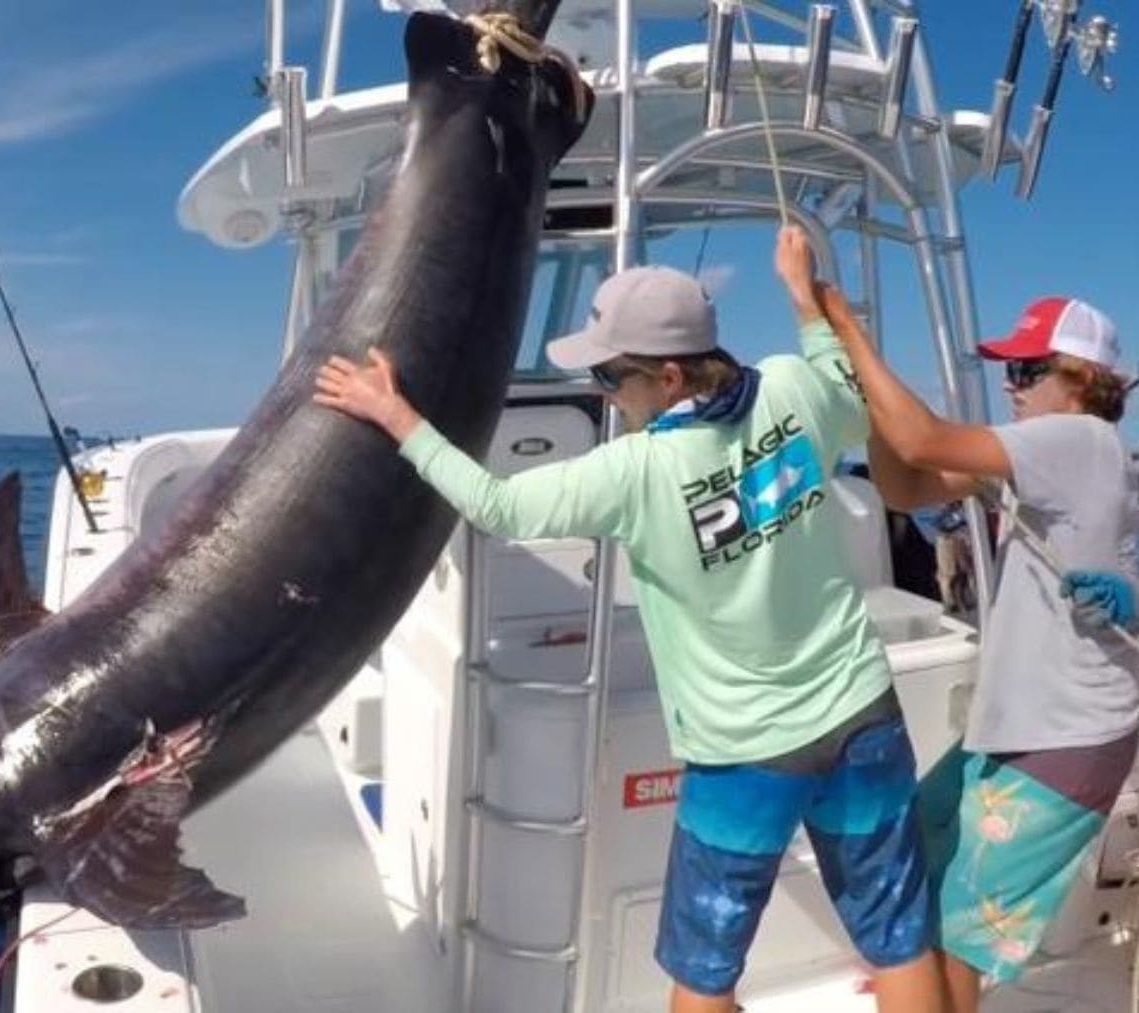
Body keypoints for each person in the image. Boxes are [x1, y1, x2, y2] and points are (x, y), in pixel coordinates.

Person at [312, 231, 942, 1013]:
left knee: (706, 969)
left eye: (611, 376)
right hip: (862, 715)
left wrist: (397, 415)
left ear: (668, 376)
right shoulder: (790, 386)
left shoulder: (634, 472)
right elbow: (847, 396)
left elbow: (496, 505)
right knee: (898, 935)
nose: (606, 393)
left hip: (745, 757)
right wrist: (803, 299)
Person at [813, 282, 1139, 1010]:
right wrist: (866, 404)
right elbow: (904, 486)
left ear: (1083, 380)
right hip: (1024, 726)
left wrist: (848, 336)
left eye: (1028, 369)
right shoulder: (1055, 457)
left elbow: (922, 439)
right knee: (918, 842)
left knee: (960, 927)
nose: (1011, 385)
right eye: (1008, 370)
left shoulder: (1075, 439)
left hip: (1064, 736)